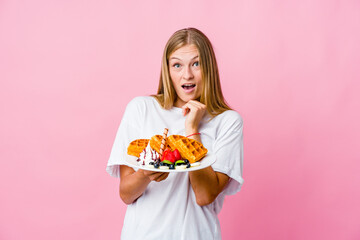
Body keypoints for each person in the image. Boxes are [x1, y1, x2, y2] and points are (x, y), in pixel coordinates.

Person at [107, 27, 244, 240]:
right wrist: (145, 174)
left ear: (209, 68)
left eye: (196, 64)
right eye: (177, 65)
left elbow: (204, 195)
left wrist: (192, 129)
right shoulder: (141, 108)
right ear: (167, 70)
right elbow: (126, 194)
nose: (187, 74)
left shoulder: (228, 122)